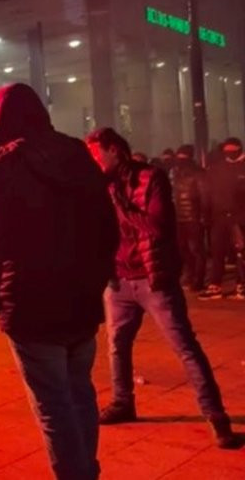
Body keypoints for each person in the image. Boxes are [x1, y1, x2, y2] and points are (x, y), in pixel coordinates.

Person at [0, 84, 118, 480]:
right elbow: (107, 227)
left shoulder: (0, 168)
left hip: (31, 305)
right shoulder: (77, 155)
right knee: (79, 393)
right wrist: (95, 278)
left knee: (54, 406)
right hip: (80, 302)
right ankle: (87, 472)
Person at [85, 128, 237, 450]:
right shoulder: (99, 185)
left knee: (185, 347)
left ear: (114, 150)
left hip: (153, 279)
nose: (94, 161)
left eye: (96, 154)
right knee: (117, 346)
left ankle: (216, 415)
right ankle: (123, 401)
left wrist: (119, 203)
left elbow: (157, 226)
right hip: (119, 279)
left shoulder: (150, 178)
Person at [201, 137, 245, 299]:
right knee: (217, 252)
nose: (229, 153)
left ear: (239, 149)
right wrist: (207, 214)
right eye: (227, 150)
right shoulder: (217, 168)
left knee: (241, 251)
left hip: (241, 217)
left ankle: (242, 284)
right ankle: (215, 285)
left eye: (232, 150)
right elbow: (208, 193)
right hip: (219, 217)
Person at [170, 145, 208, 292]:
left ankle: (198, 280)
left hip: (193, 217)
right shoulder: (175, 172)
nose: (180, 160)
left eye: (183, 157)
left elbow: (204, 196)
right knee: (183, 249)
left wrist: (204, 216)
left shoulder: (199, 173)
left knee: (196, 250)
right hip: (179, 217)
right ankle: (190, 275)